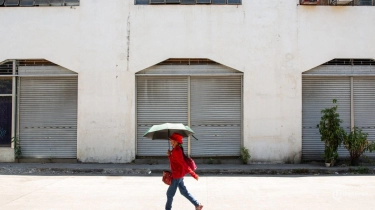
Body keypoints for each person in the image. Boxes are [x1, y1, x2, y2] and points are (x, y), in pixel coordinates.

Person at [165, 133, 203, 210]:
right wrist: (169, 155)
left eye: (172, 140)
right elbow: (174, 161)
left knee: (169, 194)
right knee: (183, 192)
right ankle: (197, 205)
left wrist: (193, 174)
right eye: (170, 140)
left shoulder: (177, 151)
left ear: (176, 141)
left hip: (176, 176)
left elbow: (184, 164)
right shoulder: (176, 149)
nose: (170, 141)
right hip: (179, 174)